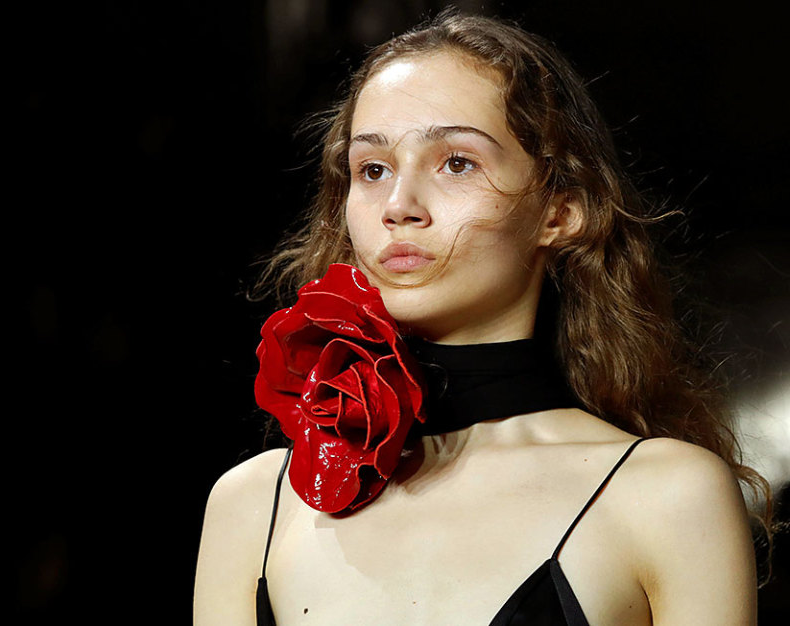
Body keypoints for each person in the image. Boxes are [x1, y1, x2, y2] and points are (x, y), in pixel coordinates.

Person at [194, 8, 772, 625]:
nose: (398, 206)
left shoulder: (665, 496)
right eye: (372, 169)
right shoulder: (255, 506)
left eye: (457, 163)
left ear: (560, 212)